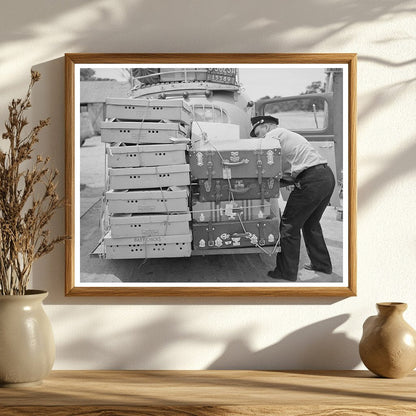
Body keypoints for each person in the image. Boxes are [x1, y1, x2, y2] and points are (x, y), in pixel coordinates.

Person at [250, 115, 336, 282]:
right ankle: (322, 264)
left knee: (289, 226)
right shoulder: (289, 137)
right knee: (311, 224)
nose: (259, 137)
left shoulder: (273, 135)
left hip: (311, 179)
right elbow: (290, 171)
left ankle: (286, 272)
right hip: (325, 177)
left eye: (258, 132)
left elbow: (269, 165)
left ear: (266, 127)